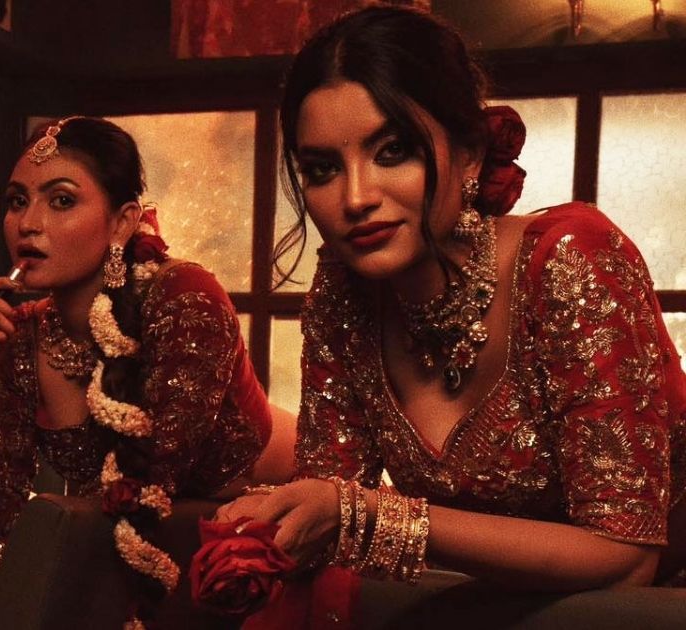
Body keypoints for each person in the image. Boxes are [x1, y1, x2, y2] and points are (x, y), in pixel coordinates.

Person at [218, 5, 686, 593]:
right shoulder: (344, 294)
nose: (355, 198)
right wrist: (262, 527)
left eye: (392, 152)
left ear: (469, 152)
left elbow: (626, 558)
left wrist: (370, 516)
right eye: (322, 168)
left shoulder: (569, 261)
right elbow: (330, 503)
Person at [0, 116, 287, 623]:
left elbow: (150, 485)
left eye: (61, 200)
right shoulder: (23, 336)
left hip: (264, 538)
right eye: (18, 201)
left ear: (123, 222)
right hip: (135, 551)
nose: (28, 223)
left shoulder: (184, 301)